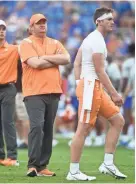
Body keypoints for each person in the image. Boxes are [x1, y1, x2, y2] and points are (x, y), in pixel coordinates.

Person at [66, 7, 127, 181]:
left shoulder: (92, 39)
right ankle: (73, 171)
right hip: (92, 86)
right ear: (98, 21)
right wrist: (114, 93)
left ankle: (107, 163)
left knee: (118, 120)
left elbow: (77, 62)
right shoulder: (97, 40)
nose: (112, 21)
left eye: (112, 18)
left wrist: (79, 83)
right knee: (83, 129)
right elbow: (100, 71)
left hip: (92, 86)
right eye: (108, 18)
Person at [19, 14, 70, 177]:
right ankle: (32, 165)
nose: (42, 25)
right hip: (34, 93)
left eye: (44, 23)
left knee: (48, 130)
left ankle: (42, 166)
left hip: (53, 91)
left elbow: (67, 58)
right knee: (36, 127)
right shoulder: (26, 43)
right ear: (31, 28)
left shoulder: (55, 42)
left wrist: (45, 58)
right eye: (38, 23)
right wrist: (55, 60)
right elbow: (35, 63)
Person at [0, 20, 19, 166]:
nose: (1, 31)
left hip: (8, 88)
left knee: (7, 122)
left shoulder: (14, 49)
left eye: (3, 29)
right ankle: (1, 156)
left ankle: (12, 157)